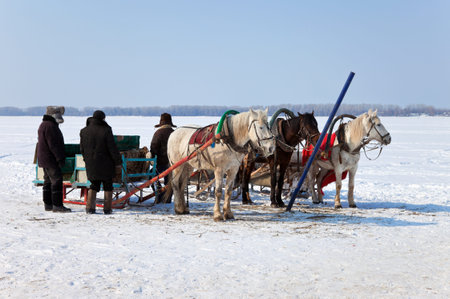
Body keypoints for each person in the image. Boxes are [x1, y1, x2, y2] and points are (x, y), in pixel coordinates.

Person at [80, 110, 122, 214]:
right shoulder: (106, 130)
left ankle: (90, 208)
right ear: (102, 118)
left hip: (91, 163)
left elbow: (82, 149)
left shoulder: (84, 131)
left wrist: (87, 160)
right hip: (105, 163)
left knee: (94, 184)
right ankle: (107, 209)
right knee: (108, 185)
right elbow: (112, 148)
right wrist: (118, 162)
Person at [37, 106, 71, 212]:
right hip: (50, 159)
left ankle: (48, 204)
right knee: (56, 180)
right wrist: (59, 158)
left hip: (44, 158)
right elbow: (54, 145)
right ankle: (57, 205)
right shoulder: (51, 126)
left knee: (47, 181)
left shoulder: (44, 125)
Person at [150, 113, 176, 203]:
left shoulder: (158, 133)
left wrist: (152, 160)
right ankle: (167, 198)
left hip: (161, 164)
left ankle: (159, 195)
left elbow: (153, 148)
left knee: (151, 176)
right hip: (173, 164)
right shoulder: (174, 133)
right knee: (170, 180)